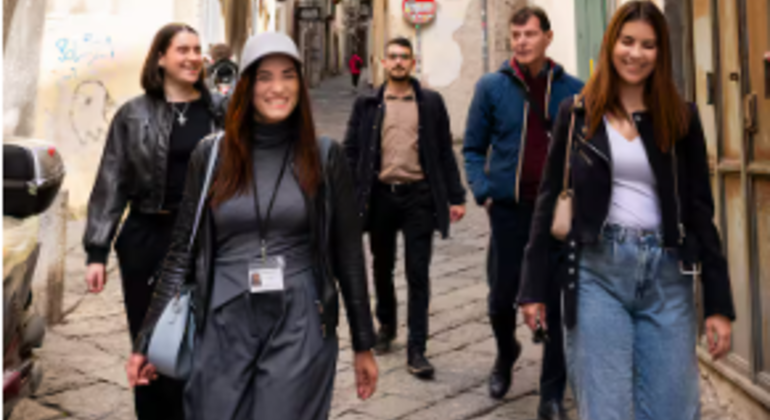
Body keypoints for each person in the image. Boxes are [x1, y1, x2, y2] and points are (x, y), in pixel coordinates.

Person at [124, 32, 379, 420]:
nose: (278, 88)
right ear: (246, 85)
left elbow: (348, 255)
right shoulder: (210, 155)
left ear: (300, 83)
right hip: (223, 321)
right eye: (264, 77)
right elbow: (182, 251)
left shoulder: (325, 156)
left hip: (300, 321)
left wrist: (363, 343)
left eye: (288, 75)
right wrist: (147, 339)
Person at [519, 2, 735, 419]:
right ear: (611, 44)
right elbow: (547, 202)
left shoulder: (682, 118)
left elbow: (700, 212)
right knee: (605, 410)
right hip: (597, 272)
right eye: (628, 41)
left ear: (661, 52)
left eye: (648, 45)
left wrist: (719, 304)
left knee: (673, 409)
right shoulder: (577, 115)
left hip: (668, 276)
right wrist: (532, 288)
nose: (636, 54)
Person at [83, 23, 226, 420]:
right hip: (148, 239)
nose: (193, 57)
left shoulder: (221, 112)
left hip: (207, 241)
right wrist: (97, 250)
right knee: (152, 347)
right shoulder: (134, 114)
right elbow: (111, 182)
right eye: (182, 49)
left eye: (198, 49)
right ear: (160, 57)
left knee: (206, 344)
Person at [462, 6, 583, 417]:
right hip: (510, 212)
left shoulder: (573, 90)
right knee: (500, 299)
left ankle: (551, 394)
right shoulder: (491, 87)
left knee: (557, 301)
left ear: (547, 38)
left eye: (530, 34)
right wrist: (484, 191)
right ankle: (505, 351)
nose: (522, 42)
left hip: (555, 215)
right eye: (516, 35)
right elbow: (473, 147)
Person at [344, 37, 467, 379]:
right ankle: (386, 325)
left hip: (419, 197)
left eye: (404, 57)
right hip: (380, 196)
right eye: (393, 56)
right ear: (383, 62)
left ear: (413, 62)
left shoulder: (430, 102)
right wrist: (346, 194)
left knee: (418, 274)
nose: (398, 62)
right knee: (382, 268)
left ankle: (417, 349)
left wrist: (456, 196)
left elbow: (444, 151)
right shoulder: (368, 103)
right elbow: (351, 150)